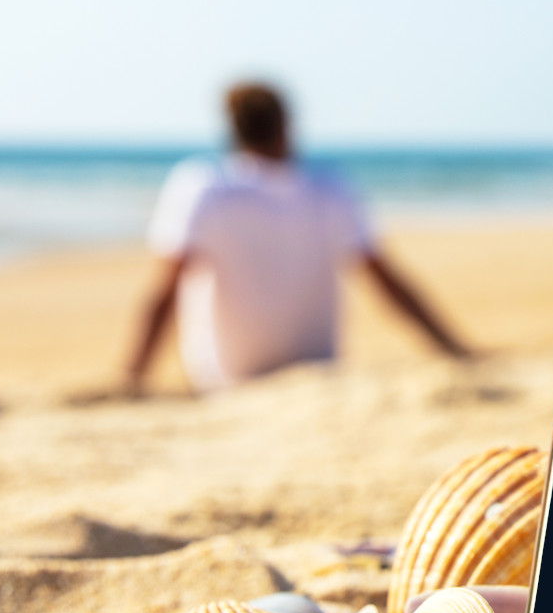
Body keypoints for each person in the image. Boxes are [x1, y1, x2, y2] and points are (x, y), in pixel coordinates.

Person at [124, 82, 470, 394]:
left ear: (233, 128)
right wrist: (452, 347)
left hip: (224, 381)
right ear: (286, 125)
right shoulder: (329, 187)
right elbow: (384, 279)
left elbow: (167, 287)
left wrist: (133, 375)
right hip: (318, 372)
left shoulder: (202, 186)